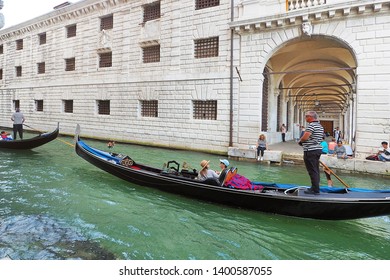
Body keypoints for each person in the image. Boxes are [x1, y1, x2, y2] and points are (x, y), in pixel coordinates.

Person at [298, 111, 324, 195]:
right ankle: (315, 187)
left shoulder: (311, 126)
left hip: (310, 151)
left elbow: (305, 137)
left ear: (310, 117)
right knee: (315, 170)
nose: (305, 118)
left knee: (312, 170)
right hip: (316, 150)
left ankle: (315, 190)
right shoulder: (320, 126)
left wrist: (300, 141)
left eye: (306, 116)